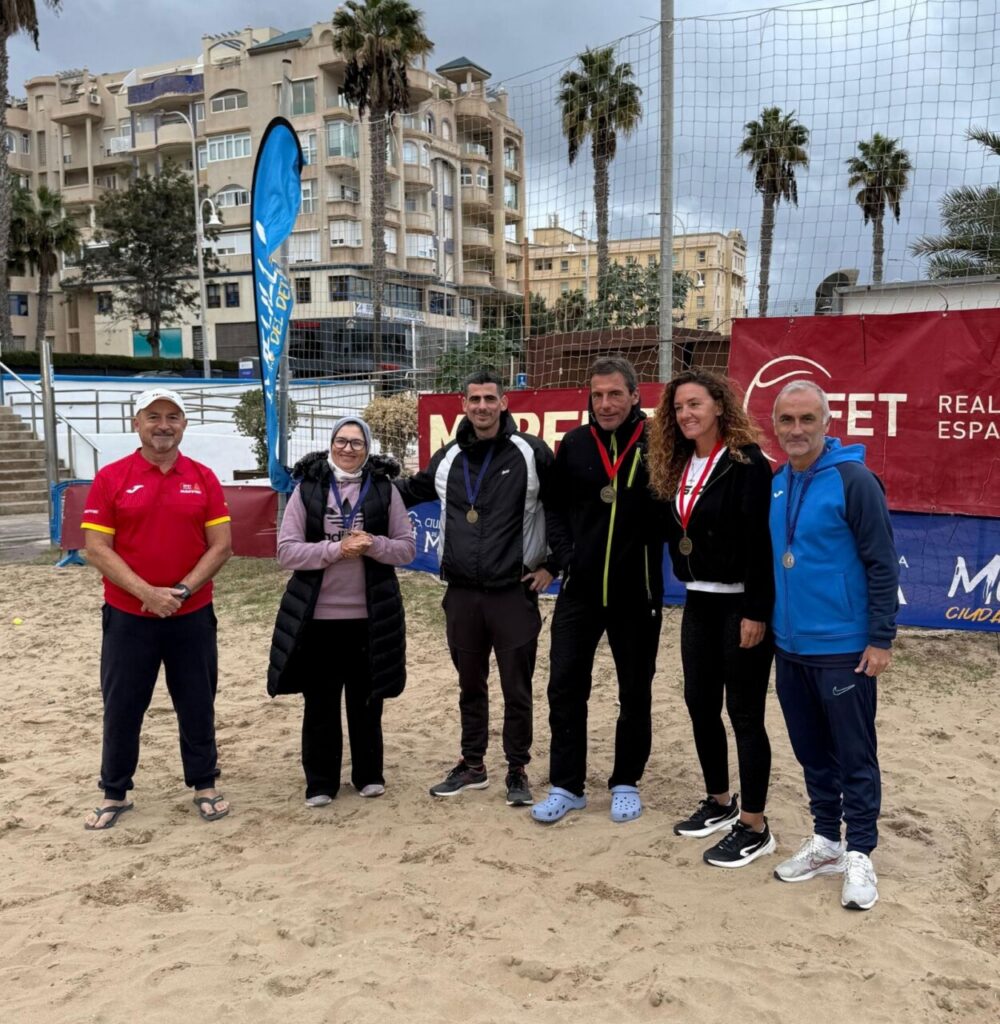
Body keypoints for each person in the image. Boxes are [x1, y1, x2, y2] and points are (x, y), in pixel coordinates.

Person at [396, 369, 555, 807]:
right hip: (462, 594)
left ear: (504, 402)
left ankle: (517, 769)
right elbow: (408, 491)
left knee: (516, 689)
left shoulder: (531, 453)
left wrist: (553, 565)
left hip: (512, 593)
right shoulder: (448, 457)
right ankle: (472, 765)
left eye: (489, 398)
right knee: (470, 685)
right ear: (463, 405)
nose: (482, 407)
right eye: (474, 400)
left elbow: (562, 508)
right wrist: (360, 482)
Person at [769, 380, 898, 911]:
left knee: (853, 753)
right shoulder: (778, 482)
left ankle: (860, 850)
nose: (797, 430)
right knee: (810, 751)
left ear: (827, 423)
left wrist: (880, 638)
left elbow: (882, 563)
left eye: (807, 419)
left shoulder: (854, 480)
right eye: (787, 420)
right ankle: (826, 840)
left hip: (844, 647)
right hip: (790, 646)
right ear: (774, 426)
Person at [80, 388, 233, 830]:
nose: (163, 425)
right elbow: (96, 548)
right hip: (129, 617)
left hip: (192, 613)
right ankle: (114, 791)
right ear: (137, 423)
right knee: (123, 705)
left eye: (172, 417)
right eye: (153, 417)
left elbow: (221, 546)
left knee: (197, 702)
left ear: (184, 424)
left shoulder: (203, 477)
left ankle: (204, 784)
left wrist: (180, 591)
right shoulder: (112, 477)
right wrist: (146, 592)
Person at [647, 369, 776, 867]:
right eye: (678, 408)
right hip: (698, 601)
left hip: (740, 603)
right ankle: (720, 801)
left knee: (744, 713)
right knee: (700, 704)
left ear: (720, 406)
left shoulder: (747, 463)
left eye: (695, 404)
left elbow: (760, 543)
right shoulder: (677, 463)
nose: (686, 415)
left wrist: (756, 611)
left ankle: (755, 825)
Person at [532, 355, 663, 825]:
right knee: (565, 687)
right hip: (580, 592)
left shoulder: (659, 442)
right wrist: (567, 556)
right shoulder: (575, 443)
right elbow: (554, 507)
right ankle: (567, 786)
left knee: (635, 691)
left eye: (615, 394)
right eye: (598, 395)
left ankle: (626, 781)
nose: (605, 404)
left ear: (635, 396)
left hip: (637, 593)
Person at [267, 416, 415, 806]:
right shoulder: (308, 489)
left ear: (368, 449)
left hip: (370, 616)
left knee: (367, 702)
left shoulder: (384, 490)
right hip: (318, 618)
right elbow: (286, 552)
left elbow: (406, 548)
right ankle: (320, 782)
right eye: (341, 441)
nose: (348, 449)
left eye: (357, 442)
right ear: (331, 444)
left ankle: (368, 775)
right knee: (320, 702)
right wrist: (336, 549)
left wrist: (373, 545)